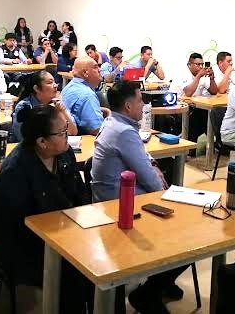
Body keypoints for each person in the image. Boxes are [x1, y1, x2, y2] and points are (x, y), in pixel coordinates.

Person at [91, 80, 186, 312]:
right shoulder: (123, 131)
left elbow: (145, 161)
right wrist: (167, 195)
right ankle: (149, 292)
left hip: (116, 200)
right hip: (122, 207)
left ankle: (161, 282)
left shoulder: (114, 123)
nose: (144, 103)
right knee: (189, 233)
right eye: (140, 99)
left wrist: (154, 169)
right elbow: (152, 181)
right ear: (128, 106)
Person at [0, 105, 92, 313]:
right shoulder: (15, 171)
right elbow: (14, 228)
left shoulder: (64, 154)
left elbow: (81, 196)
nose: (68, 136)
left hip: (66, 232)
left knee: (104, 265)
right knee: (77, 275)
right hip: (29, 244)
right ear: (42, 142)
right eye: (62, 132)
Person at [11, 70, 77, 143]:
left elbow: (73, 132)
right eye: (50, 82)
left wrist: (63, 112)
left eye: (54, 82)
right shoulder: (25, 107)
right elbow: (23, 139)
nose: (55, 85)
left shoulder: (57, 104)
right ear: (36, 88)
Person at [170, 53, 218, 144]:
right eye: (197, 64)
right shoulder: (182, 75)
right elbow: (188, 93)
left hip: (193, 107)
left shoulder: (203, 75)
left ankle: (213, 142)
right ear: (189, 65)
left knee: (209, 112)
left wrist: (212, 78)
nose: (200, 67)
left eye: (202, 64)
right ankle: (210, 142)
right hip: (177, 108)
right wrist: (198, 76)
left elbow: (214, 91)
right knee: (202, 114)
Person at [62, 56, 109, 135]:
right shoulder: (87, 95)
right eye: (95, 67)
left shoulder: (70, 86)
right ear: (85, 73)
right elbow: (98, 130)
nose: (100, 70)